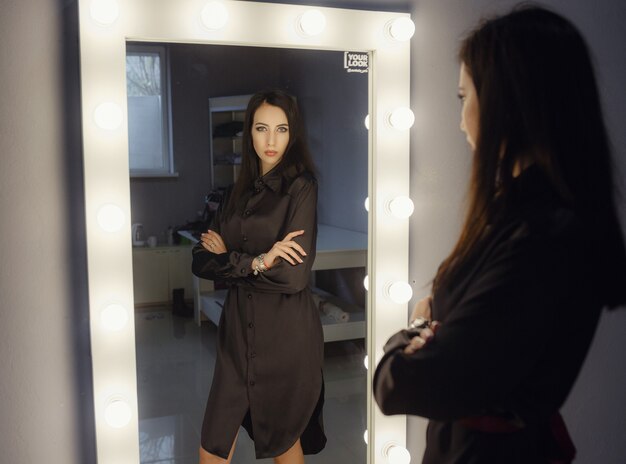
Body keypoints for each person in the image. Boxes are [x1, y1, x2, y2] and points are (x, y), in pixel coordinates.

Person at [373, 5, 626, 464]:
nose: (460, 119)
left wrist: (410, 333)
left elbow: (403, 385)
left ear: (506, 101)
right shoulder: (522, 219)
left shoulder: (543, 239)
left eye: (462, 96)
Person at [192, 89, 326, 464]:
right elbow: (200, 259)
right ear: (248, 133)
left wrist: (232, 262)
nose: (271, 140)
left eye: (281, 129)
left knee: (284, 446)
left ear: (292, 133)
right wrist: (258, 262)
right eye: (262, 128)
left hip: (286, 341)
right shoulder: (235, 194)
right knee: (212, 446)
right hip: (235, 339)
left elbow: (294, 278)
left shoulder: (302, 188)